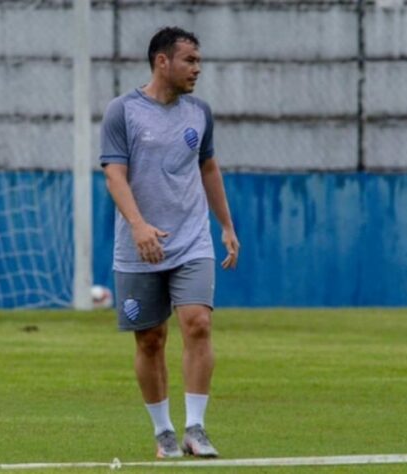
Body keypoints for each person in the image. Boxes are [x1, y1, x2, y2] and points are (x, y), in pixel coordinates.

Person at [99, 27, 239, 459]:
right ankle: (164, 433)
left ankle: (196, 429)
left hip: (192, 240)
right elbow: (114, 175)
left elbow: (209, 169)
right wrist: (139, 226)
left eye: (198, 61)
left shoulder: (200, 113)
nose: (197, 69)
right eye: (189, 60)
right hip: (140, 244)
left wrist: (227, 226)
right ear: (163, 62)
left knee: (198, 322)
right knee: (150, 339)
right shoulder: (122, 111)